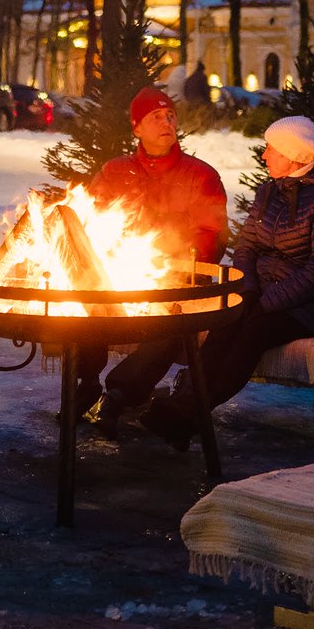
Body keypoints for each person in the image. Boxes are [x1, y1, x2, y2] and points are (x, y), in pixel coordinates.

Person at [140, 117, 314, 448]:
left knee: (253, 331)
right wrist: (250, 291)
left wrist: (266, 302)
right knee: (225, 321)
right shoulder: (269, 191)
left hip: (313, 305)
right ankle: (185, 407)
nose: (264, 155)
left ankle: (187, 414)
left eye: (271, 149)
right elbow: (246, 248)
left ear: (294, 156)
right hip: (261, 294)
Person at [72, 88, 229, 427]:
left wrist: (175, 264)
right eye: (155, 117)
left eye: (170, 115)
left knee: (173, 323)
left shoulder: (200, 175)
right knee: (85, 298)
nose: (166, 122)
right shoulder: (115, 171)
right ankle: (86, 383)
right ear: (136, 127)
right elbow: (90, 221)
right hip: (120, 274)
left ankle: (118, 394)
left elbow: (212, 236)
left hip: (180, 280)